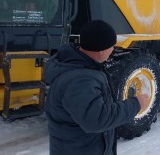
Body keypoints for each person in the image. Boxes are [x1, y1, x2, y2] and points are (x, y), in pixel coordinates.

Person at [44, 20, 150, 155]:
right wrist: (136, 104)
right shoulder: (79, 81)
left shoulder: (84, 67)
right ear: (101, 51)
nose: (113, 50)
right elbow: (97, 120)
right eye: (111, 46)